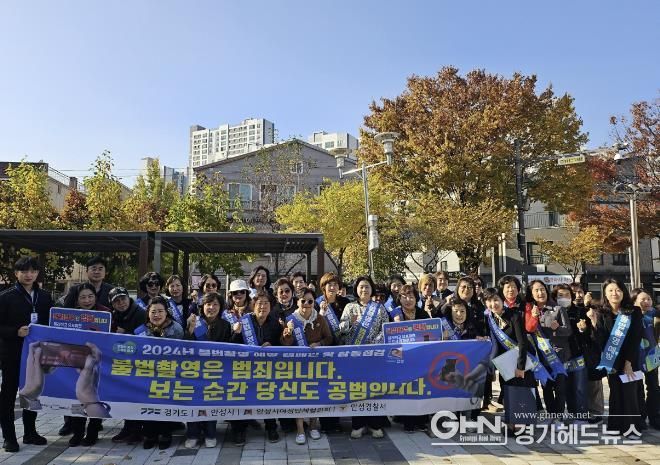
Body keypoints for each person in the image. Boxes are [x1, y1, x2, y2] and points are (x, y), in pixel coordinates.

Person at [0, 256, 51, 452]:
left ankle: (30, 433)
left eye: (33, 271)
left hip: (36, 355)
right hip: (12, 354)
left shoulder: (45, 297)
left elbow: (52, 323)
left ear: (37, 273)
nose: (29, 275)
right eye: (24, 271)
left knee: (32, 392)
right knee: (8, 395)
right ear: (16, 273)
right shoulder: (6, 297)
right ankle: (9, 437)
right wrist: (15, 331)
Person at [591, 279, 644, 438]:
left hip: (630, 358)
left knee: (629, 392)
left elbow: (635, 338)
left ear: (623, 292)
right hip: (612, 359)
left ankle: (632, 428)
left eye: (618, 290)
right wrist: (594, 324)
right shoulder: (601, 313)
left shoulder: (633, 311)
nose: (615, 293)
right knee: (615, 392)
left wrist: (628, 363)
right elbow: (600, 340)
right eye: (610, 290)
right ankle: (616, 425)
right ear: (605, 294)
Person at [339, 276, 389, 439]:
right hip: (355, 356)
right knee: (357, 389)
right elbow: (341, 329)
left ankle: (375, 425)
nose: (364, 289)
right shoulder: (350, 307)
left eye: (367, 286)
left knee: (374, 389)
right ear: (356, 289)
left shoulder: (379, 308)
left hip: (374, 355)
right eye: (361, 286)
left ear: (371, 289)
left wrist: (373, 345)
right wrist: (350, 323)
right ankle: (358, 424)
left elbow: (385, 329)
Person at [282, 288, 333, 445]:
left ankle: (313, 426)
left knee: (315, 394)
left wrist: (319, 343)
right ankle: (300, 429)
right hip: (296, 365)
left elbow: (329, 338)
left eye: (310, 301)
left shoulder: (320, 319)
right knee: (298, 396)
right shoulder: (290, 319)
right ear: (297, 302)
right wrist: (287, 334)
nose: (306, 304)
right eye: (303, 300)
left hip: (316, 364)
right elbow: (284, 344)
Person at [483, 287, 537, 430]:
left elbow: (523, 342)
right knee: (508, 392)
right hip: (505, 364)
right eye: (489, 301)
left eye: (496, 300)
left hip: (520, 361)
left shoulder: (514, 315)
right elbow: (493, 343)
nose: (493, 304)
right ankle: (511, 422)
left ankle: (522, 426)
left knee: (522, 392)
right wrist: (493, 366)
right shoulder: (490, 318)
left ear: (502, 300)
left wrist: (520, 367)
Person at [184, 292, 233, 448]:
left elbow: (228, 348)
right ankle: (192, 433)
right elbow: (185, 346)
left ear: (221, 307)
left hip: (214, 370)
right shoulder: (194, 321)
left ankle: (210, 433)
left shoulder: (225, 325)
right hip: (194, 370)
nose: (211, 308)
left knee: (211, 400)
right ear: (202, 306)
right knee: (193, 401)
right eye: (208, 304)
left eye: (215, 304)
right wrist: (190, 330)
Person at [233, 292, 283, 444]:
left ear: (271, 306)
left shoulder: (275, 323)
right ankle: (240, 429)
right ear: (253, 306)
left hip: (266, 368)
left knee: (267, 395)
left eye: (266, 303)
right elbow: (232, 344)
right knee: (242, 397)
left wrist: (272, 344)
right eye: (259, 303)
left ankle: (271, 427)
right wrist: (236, 333)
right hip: (245, 367)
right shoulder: (244, 322)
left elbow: (281, 344)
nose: (263, 306)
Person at [66, 283, 111, 446]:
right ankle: (77, 432)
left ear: (96, 297)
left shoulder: (105, 313)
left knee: (95, 395)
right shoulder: (70, 315)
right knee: (77, 396)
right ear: (77, 300)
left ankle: (93, 431)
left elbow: (111, 336)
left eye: (90, 296)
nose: (87, 300)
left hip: (99, 361)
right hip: (76, 361)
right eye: (83, 297)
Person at [140, 296, 184, 449]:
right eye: (153, 312)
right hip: (148, 374)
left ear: (167, 312)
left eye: (160, 311)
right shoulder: (142, 330)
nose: (157, 315)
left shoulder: (176, 329)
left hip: (169, 374)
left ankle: (166, 434)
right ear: (148, 313)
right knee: (148, 403)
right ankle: (150, 434)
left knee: (166, 403)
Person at [525, 280, 570, 423]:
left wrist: (558, 329)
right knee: (547, 387)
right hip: (542, 355)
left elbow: (568, 331)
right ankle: (551, 415)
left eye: (542, 289)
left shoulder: (558, 308)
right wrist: (533, 316)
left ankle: (558, 417)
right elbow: (528, 330)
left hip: (559, 355)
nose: (540, 293)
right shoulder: (530, 310)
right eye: (536, 290)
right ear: (531, 294)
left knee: (560, 388)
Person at [108, 287, 146, 444]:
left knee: (136, 397)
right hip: (123, 362)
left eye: (123, 299)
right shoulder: (114, 315)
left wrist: (126, 334)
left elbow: (144, 339)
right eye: (116, 301)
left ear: (128, 298)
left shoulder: (140, 313)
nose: (121, 303)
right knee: (126, 396)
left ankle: (136, 431)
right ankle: (128, 428)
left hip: (140, 363)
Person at [316, 272, 350, 433]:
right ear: (323, 287)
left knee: (338, 385)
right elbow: (313, 326)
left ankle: (337, 420)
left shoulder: (345, 302)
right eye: (329, 284)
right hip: (324, 350)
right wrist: (321, 314)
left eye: (335, 284)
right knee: (325, 386)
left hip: (341, 349)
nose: (332, 287)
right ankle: (326, 423)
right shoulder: (317, 302)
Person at [397, 284, 430, 432]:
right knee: (406, 390)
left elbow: (431, 334)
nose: (408, 300)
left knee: (421, 388)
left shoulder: (423, 314)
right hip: (402, 359)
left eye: (411, 297)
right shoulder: (395, 314)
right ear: (399, 299)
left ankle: (421, 420)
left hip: (420, 358)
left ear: (416, 298)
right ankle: (407, 422)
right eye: (404, 297)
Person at [631, 288, 660, 430]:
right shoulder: (628, 316)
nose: (647, 302)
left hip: (652, 356)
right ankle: (640, 417)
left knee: (654, 387)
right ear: (634, 301)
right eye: (643, 299)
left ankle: (655, 417)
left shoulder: (654, 313)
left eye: (649, 299)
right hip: (634, 357)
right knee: (637, 388)